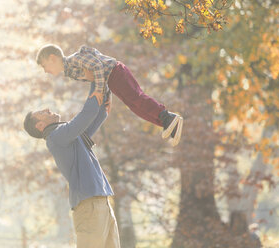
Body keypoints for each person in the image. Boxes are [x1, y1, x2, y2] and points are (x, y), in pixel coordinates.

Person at [23, 83, 120, 248]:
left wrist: (104, 88)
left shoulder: (69, 135)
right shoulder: (56, 137)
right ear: (40, 126)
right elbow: (87, 113)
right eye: (41, 113)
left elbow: (97, 115)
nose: (47, 108)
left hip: (101, 202)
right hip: (89, 206)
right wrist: (96, 81)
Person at [36, 44, 183, 145]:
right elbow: (98, 76)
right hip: (112, 80)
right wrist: (106, 95)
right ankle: (167, 124)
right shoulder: (71, 72)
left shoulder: (75, 59)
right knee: (133, 105)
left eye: (44, 66)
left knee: (136, 98)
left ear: (52, 58)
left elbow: (98, 66)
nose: (45, 71)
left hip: (116, 72)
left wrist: (99, 90)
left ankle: (167, 116)